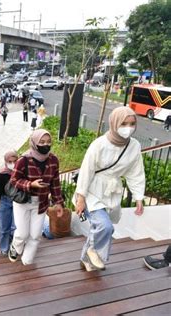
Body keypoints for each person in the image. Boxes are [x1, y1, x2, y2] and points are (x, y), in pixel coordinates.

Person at [74, 107, 145, 271]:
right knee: (105, 226)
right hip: (93, 190)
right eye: (124, 123)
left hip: (112, 190)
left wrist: (139, 197)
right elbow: (86, 170)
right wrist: (81, 197)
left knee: (99, 226)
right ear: (114, 123)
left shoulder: (134, 145)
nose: (128, 127)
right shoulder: (99, 144)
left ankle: (86, 257)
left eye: (132, 123)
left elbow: (136, 172)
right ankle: (93, 251)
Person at [8, 129, 64, 265]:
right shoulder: (23, 160)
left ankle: (27, 260)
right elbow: (14, 180)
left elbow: (55, 183)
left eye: (48, 142)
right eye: (42, 142)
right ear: (34, 143)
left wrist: (58, 203)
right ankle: (15, 246)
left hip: (41, 203)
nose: (46, 145)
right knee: (22, 233)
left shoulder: (53, 160)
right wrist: (30, 184)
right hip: (23, 202)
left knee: (35, 235)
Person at [0, 151, 19, 255]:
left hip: (17, 201)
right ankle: (4, 248)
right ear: (5, 162)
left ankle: (13, 246)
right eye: (10, 161)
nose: (12, 164)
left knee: (16, 227)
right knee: (3, 228)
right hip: (4, 201)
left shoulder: (21, 172)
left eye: (15, 161)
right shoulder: (0, 175)